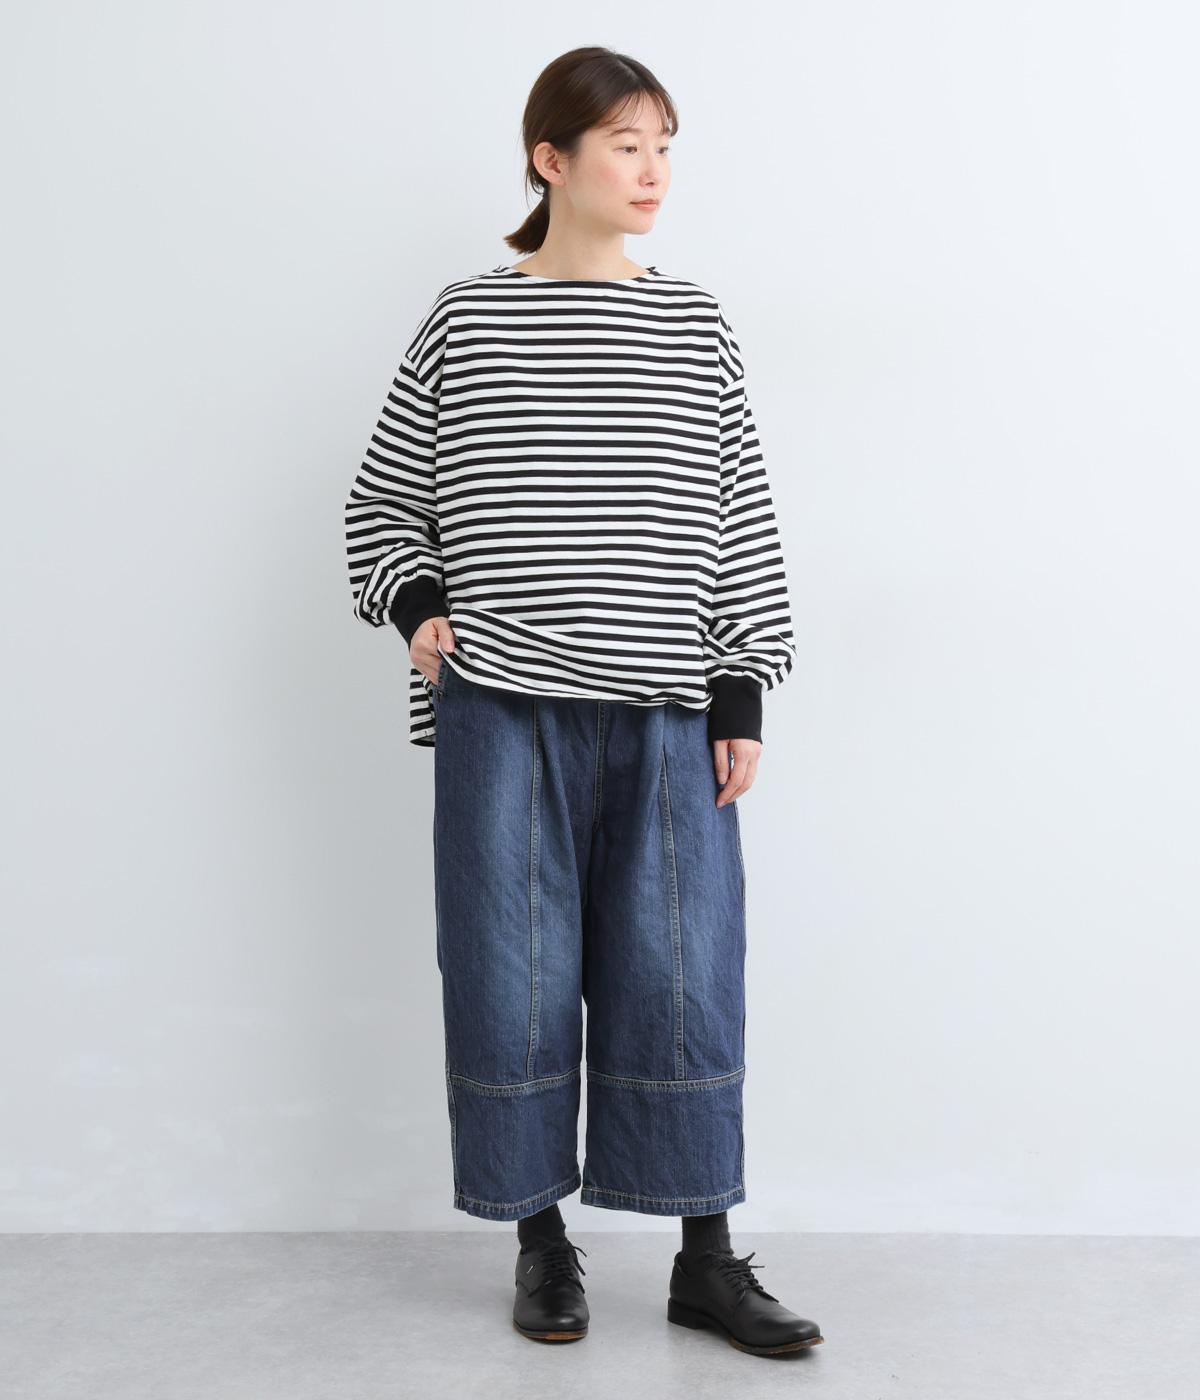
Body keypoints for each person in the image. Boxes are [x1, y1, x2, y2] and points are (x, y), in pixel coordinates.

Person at [344, 45, 823, 1359]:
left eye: (665, 145)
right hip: (502, 705)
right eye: (626, 145)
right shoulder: (466, 319)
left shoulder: (694, 322)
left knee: (683, 974)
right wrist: (416, 605)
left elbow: (739, 517)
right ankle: (539, 1240)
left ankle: (705, 1259)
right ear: (549, 161)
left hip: (667, 708)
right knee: (515, 975)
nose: (654, 170)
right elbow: (385, 499)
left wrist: (742, 690)